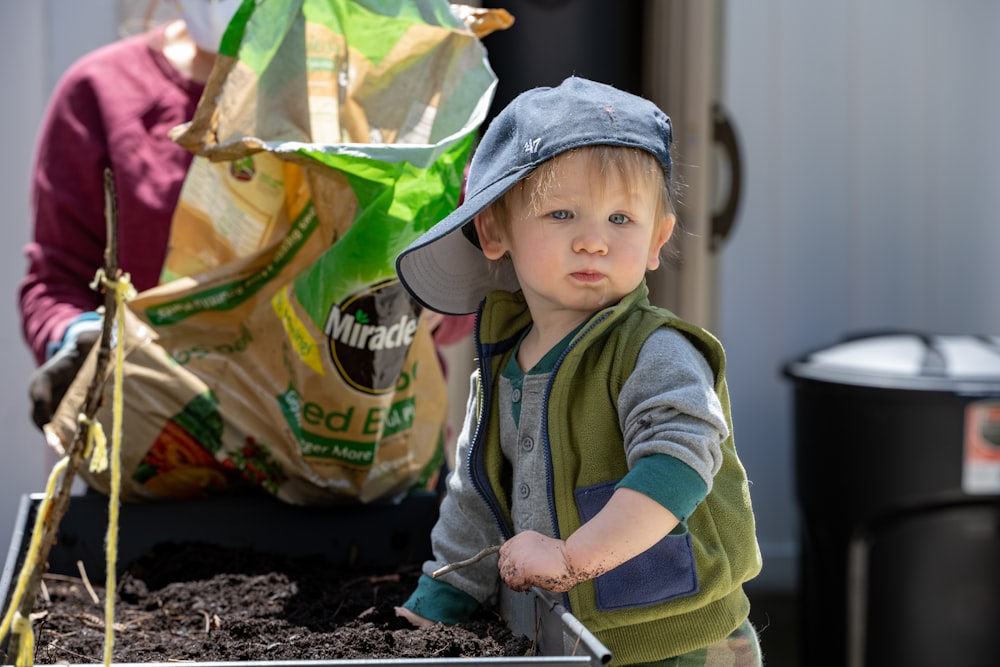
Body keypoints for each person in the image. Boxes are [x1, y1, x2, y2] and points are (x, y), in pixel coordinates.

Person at [392, 76, 763, 665]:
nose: (593, 241)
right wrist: (441, 598)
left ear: (656, 239)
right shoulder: (503, 364)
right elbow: (476, 494)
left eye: (621, 220)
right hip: (558, 639)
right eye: (562, 213)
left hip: (676, 640)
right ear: (494, 230)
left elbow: (678, 464)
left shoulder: (654, 350)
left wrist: (572, 559)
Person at [20, 0, 473, 432]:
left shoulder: (388, 78)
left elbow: (474, 260)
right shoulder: (102, 91)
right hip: (165, 454)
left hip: (355, 457)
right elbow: (56, 281)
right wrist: (81, 340)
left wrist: (425, 301)